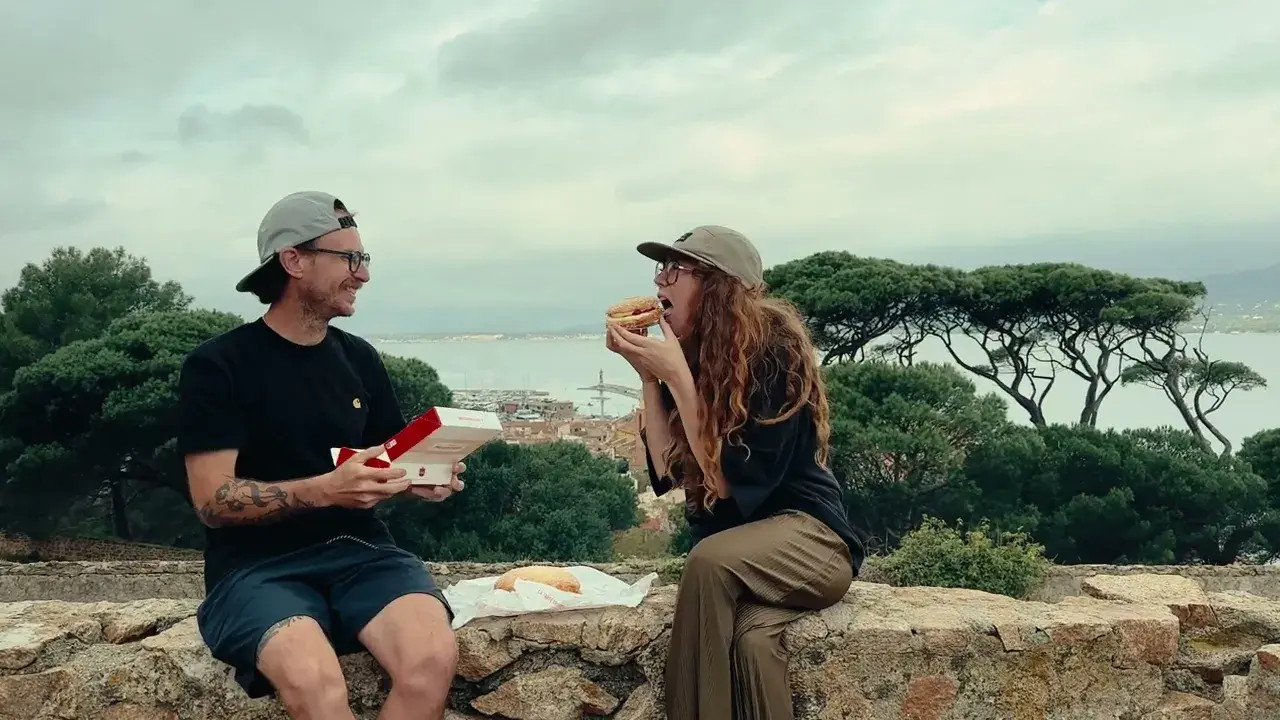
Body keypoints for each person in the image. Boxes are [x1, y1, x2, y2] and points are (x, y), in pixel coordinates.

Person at [176, 191, 463, 720]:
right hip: (256, 567)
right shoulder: (219, 365)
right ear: (294, 261)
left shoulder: (358, 358)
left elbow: (384, 460)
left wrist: (420, 479)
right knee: (317, 685)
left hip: (362, 551)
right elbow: (213, 500)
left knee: (432, 659)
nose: (363, 275)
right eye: (350, 259)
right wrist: (324, 489)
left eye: (365, 259)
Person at [605, 225, 866, 720]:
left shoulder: (773, 352)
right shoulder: (695, 357)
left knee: (706, 561)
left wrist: (678, 377)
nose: (660, 282)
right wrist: (649, 377)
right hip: (747, 556)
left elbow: (726, 481)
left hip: (812, 541)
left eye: (675, 270)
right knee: (752, 644)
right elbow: (666, 472)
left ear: (718, 285)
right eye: (660, 269)